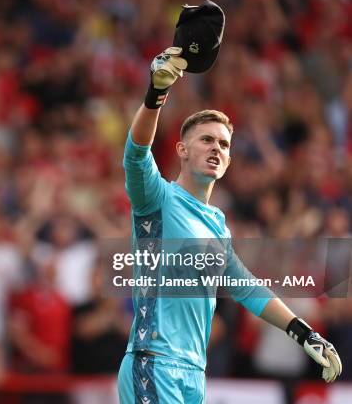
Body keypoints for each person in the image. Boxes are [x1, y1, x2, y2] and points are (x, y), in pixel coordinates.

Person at [117, 47, 342, 403]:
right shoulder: (157, 197)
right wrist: (156, 94)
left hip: (194, 374)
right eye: (206, 139)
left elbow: (247, 288)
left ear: (229, 160)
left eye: (223, 144)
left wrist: (302, 332)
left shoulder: (219, 224)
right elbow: (135, 155)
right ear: (181, 149)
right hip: (154, 363)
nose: (216, 148)